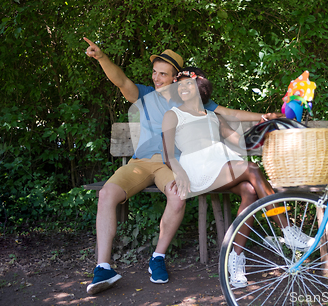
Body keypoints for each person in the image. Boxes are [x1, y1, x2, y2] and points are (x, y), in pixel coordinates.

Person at [83, 37, 282, 295]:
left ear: (177, 78)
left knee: (178, 197)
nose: (156, 78)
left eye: (163, 74)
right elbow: (120, 80)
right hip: (140, 163)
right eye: (154, 73)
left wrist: (263, 117)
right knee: (106, 194)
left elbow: (228, 114)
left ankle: (157, 258)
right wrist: (101, 57)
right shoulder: (145, 95)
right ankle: (103, 267)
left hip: (170, 164)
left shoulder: (190, 100)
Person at [162, 68, 315, 288]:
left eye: (189, 84)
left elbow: (241, 143)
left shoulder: (214, 116)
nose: (183, 88)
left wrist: (267, 124)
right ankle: (287, 230)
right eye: (180, 85)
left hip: (218, 165)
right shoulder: (173, 115)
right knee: (252, 169)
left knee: (250, 191)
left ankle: (235, 259)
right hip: (195, 168)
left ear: (200, 87)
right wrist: (180, 172)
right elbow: (168, 155)